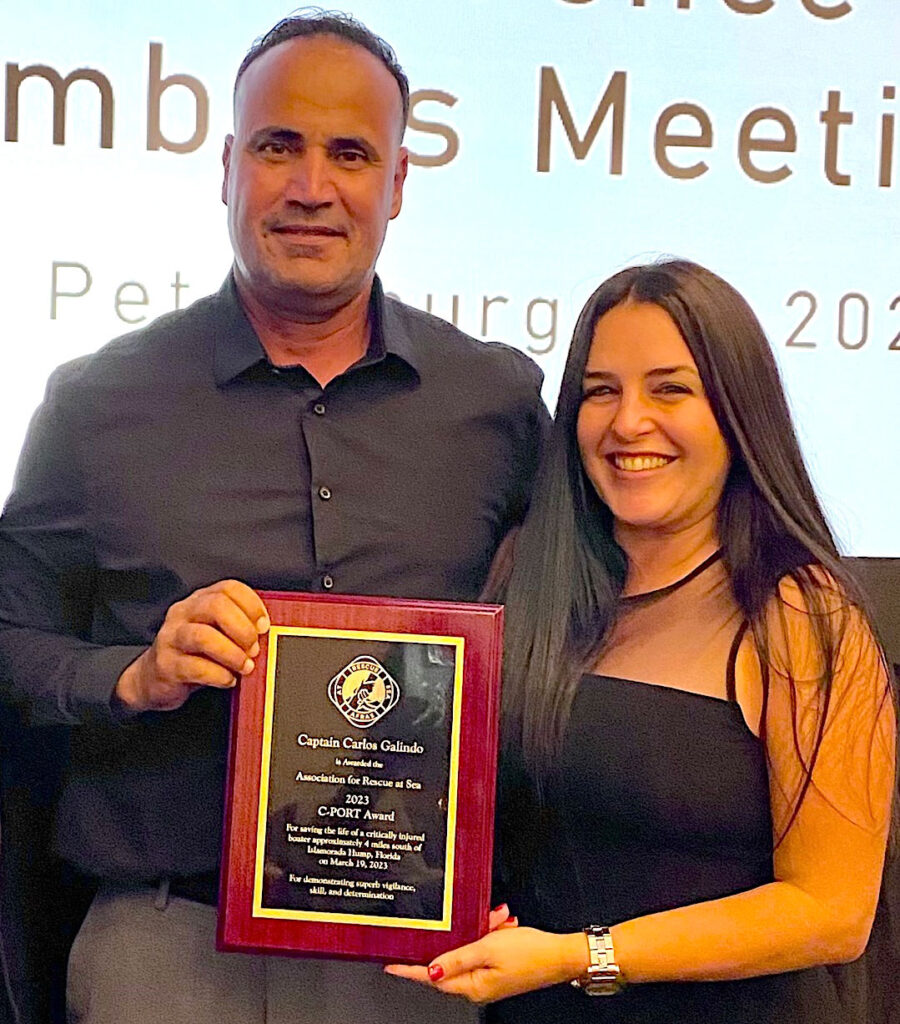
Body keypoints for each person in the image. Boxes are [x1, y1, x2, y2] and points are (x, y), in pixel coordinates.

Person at [0, 10, 546, 1024]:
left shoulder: (498, 403)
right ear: (226, 167)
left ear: (397, 183)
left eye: (350, 153)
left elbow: (581, 623)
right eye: (277, 145)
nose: (311, 186)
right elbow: (8, 637)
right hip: (165, 946)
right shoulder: (97, 401)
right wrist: (131, 674)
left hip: (417, 963)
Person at [386, 259, 896, 1022]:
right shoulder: (528, 581)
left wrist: (577, 955)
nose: (629, 422)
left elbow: (830, 911)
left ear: (736, 411)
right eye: (601, 391)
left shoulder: (802, 616)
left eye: (670, 389)